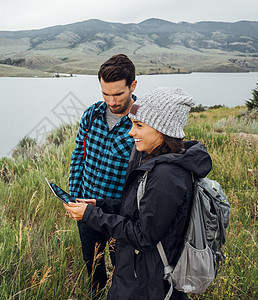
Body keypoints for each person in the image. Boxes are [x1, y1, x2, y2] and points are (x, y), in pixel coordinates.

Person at [64, 87, 213, 299]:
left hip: (147, 282)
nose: (130, 132)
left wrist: (89, 215)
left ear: (162, 130)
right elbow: (140, 209)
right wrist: (100, 205)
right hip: (139, 273)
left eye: (139, 125)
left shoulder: (166, 176)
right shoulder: (154, 160)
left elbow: (143, 236)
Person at [68, 54, 137, 292]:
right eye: (105, 93)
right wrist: (73, 196)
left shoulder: (142, 122)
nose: (112, 101)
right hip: (87, 207)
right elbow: (79, 154)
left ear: (133, 86)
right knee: (93, 265)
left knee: (124, 270)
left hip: (121, 214)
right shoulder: (91, 113)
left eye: (118, 94)